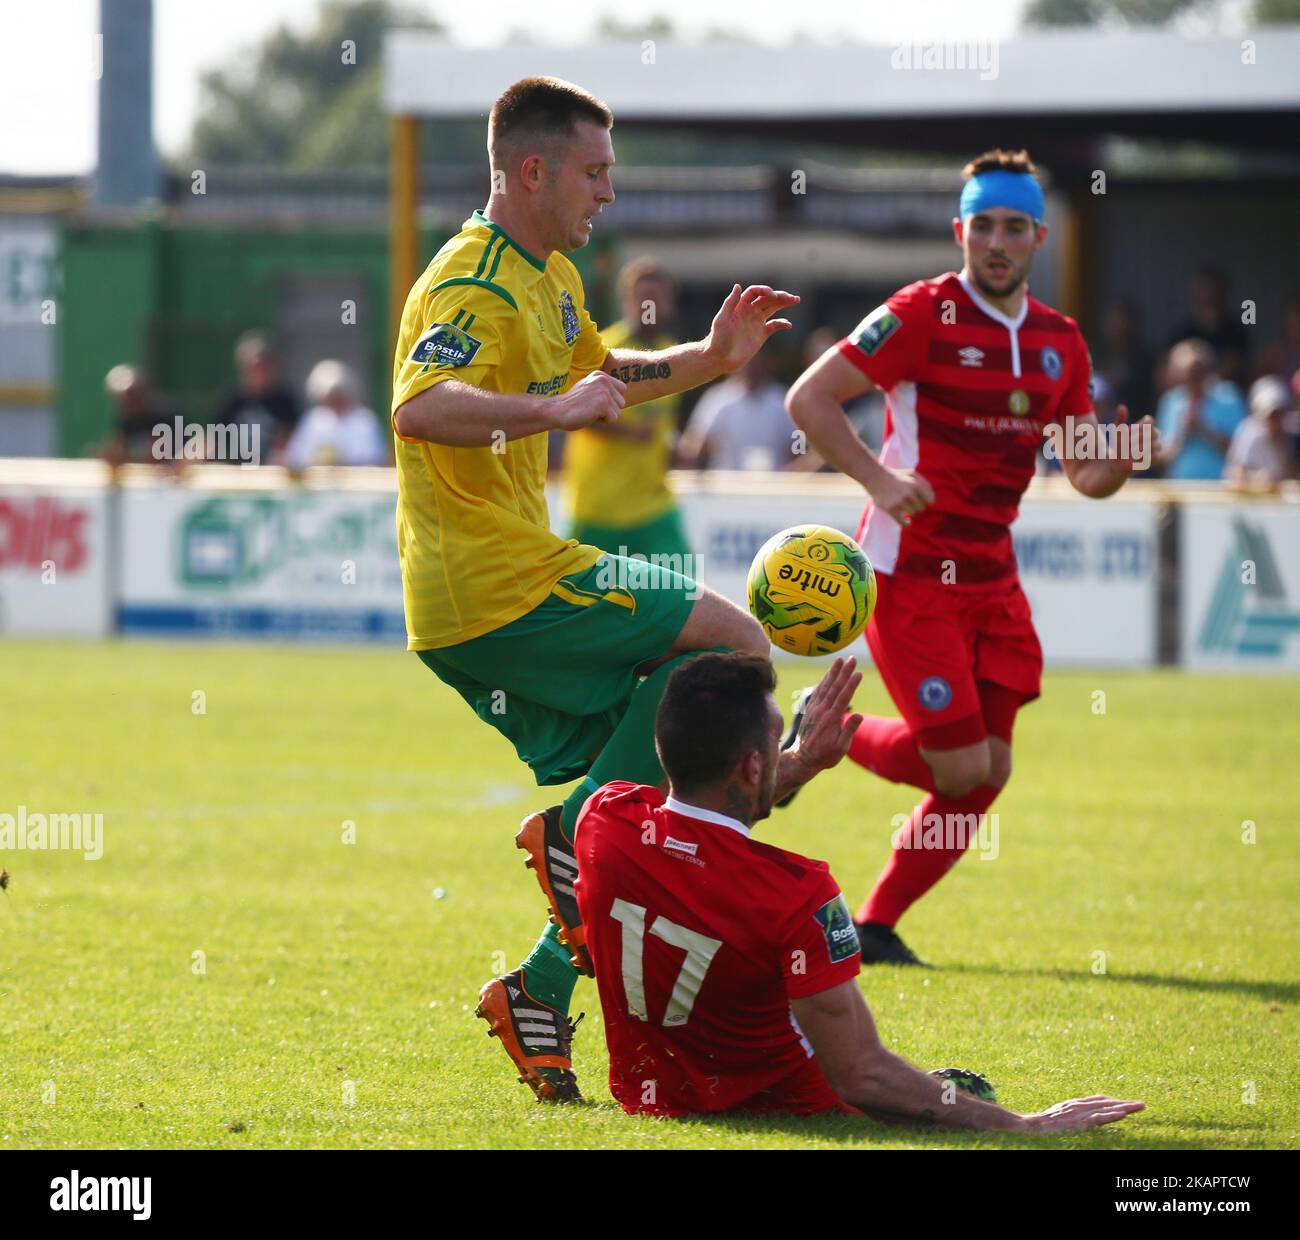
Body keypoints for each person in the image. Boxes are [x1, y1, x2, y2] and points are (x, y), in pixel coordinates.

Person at [388, 75, 798, 1102]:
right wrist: (553, 411)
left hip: (505, 581)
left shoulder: (554, 277)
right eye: (595, 171)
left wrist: (707, 355)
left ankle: (537, 986)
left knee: (672, 754)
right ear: (533, 171)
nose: (607, 192)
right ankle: (572, 834)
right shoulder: (469, 281)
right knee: (735, 648)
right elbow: (419, 409)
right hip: (493, 582)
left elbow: (605, 372)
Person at [786, 148, 1157, 965]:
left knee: (986, 773)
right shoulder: (919, 314)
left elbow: (1085, 473)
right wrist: (880, 479)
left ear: (1038, 237)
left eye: (1013, 227)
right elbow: (807, 399)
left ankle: (877, 925)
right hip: (908, 574)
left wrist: (1125, 458)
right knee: (960, 770)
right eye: (982, 224)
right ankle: (831, 730)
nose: (996, 240)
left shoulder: (1060, 342)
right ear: (959, 231)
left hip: (993, 577)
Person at [575, 652, 1145, 1131]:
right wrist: (1026, 1124)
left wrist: (797, 760)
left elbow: (703, 827)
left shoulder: (604, 821)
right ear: (752, 766)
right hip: (801, 1106)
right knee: (966, 1094)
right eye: (776, 746)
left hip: (649, 1097)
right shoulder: (799, 893)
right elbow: (861, 1074)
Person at [563, 258, 692, 562]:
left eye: (657, 297)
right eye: (643, 298)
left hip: (653, 508)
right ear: (626, 302)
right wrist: (628, 432)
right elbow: (565, 411)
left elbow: (659, 426)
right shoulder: (602, 349)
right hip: (599, 508)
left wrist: (676, 448)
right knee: (586, 603)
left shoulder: (671, 352)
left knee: (682, 593)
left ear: (670, 303)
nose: (650, 305)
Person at [679, 352, 799, 470]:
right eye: (748, 361)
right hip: (725, 483)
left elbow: (799, 443)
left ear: (766, 363)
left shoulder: (783, 399)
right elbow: (694, 441)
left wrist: (795, 467)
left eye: (757, 361)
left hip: (775, 483)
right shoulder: (717, 398)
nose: (752, 367)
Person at [1155, 339, 1246, 481]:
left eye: (1197, 373)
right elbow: (1161, 456)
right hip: (1180, 487)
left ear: (1208, 369)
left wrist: (1204, 430)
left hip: (1221, 489)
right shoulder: (1171, 401)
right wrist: (1182, 434)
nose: (1193, 379)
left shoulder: (1229, 397)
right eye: (1188, 374)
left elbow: (1242, 450)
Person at [214, 332, 299, 464]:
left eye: (264, 366)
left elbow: (288, 438)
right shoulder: (233, 401)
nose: (259, 372)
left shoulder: (285, 400)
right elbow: (214, 436)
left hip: (271, 472)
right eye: (254, 367)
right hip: (238, 471)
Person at [285, 360, 387, 469]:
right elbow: (296, 456)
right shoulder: (312, 419)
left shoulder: (365, 420)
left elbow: (376, 457)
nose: (335, 400)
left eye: (338, 394)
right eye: (330, 396)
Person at [1165, 267, 1249, 386]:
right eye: (1203, 291)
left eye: (1213, 292)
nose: (1208, 297)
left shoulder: (1237, 333)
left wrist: (1204, 382)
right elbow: (1167, 373)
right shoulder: (1183, 333)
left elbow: (1234, 367)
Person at [98, 365, 179, 467]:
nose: (128, 402)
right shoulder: (126, 420)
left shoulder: (165, 416)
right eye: (123, 399)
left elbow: (158, 454)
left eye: (133, 395)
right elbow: (116, 450)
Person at [1225, 376, 1295, 489]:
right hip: (1255, 504)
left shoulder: (1294, 432)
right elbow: (1233, 474)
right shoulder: (1247, 431)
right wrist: (1256, 479)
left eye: (1279, 413)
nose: (1275, 420)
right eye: (1271, 415)